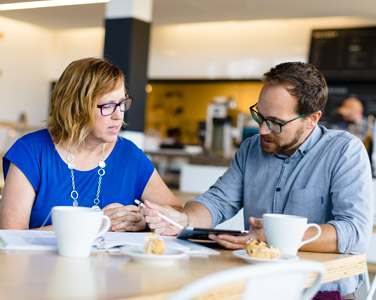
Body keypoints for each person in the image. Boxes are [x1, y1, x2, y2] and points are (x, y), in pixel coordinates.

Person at [141, 62, 374, 298]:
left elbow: (354, 233)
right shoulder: (251, 148)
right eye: (259, 116)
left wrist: (274, 236)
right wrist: (183, 218)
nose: (262, 130)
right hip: (259, 286)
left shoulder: (345, 151)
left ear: (312, 119)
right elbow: (218, 200)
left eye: (275, 122)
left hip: (319, 290)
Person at [0, 57, 182, 231]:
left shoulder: (130, 155)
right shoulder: (31, 151)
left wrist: (144, 220)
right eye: (108, 105)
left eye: (122, 103)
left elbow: (177, 214)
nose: (119, 115)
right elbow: (12, 236)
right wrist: (96, 224)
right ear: (76, 108)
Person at [335, 97, 374, 161]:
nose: (344, 116)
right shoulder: (341, 125)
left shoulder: (369, 126)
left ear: (355, 112)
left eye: (348, 114)